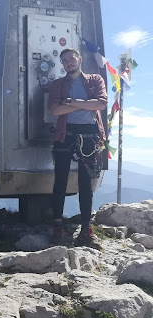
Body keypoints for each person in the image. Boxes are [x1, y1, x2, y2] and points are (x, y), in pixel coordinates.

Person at [47, 48, 107, 249]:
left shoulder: (95, 79)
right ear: (62, 64)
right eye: (64, 61)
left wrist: (71, 102)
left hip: (89, 134)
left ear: (80, 59)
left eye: (71, 59)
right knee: (60, 180)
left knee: (85, 182)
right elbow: (55, 109)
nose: (68, 63)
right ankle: (57, 225)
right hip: (65, 132)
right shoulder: (57, 84)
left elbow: (101, 103)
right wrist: (85, 105)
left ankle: (85, 228)